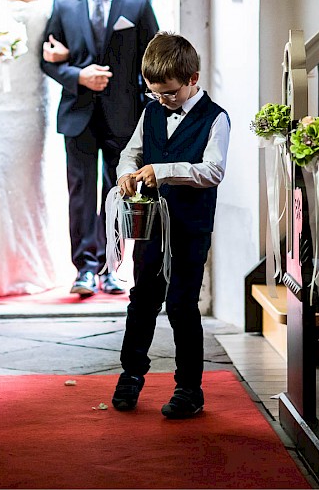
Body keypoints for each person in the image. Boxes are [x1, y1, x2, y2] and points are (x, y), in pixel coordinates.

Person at [110, 32, 230, 418]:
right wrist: (128, 173)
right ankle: (130, 374)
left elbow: (212, 171)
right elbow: (132, 153)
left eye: (170, 93)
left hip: (191, 227)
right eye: (154, 93)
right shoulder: (152, 112)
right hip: (152, 226)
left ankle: (189, 388)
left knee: (181, 305)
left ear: (193, 79)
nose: (162, 100)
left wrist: (162, 172)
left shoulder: (216, 119)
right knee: (142, 298)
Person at [41, 0, 159, 297]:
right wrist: (79, 75)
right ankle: (84, 269)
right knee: (80, 193)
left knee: (118, 192)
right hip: (77, 114)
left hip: (124, 117)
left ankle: (111, 266)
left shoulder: (138, 4)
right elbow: (47, 60)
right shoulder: (63, 5)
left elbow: (152, 61)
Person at [0, 0, 67, 296]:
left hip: (32, 97)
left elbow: (60, 37)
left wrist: (60, 52)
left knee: (27, 179)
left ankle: (30, 265)